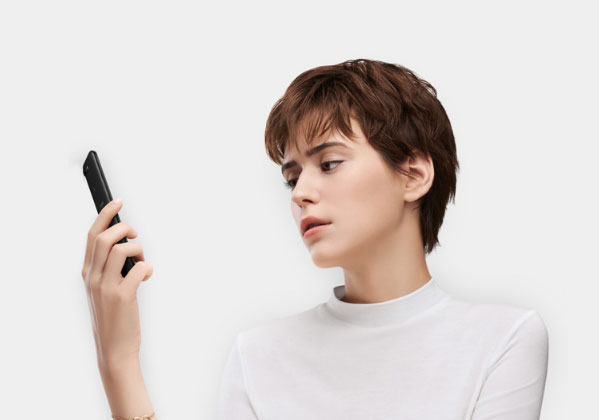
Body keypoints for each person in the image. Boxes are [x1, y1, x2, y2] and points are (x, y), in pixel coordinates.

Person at [81, 59, 548, 420]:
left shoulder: (503, 339)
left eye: (329, 164)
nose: (300, 193)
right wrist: (119, 364)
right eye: (292, 177)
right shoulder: (258, 354)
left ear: (413, 174)